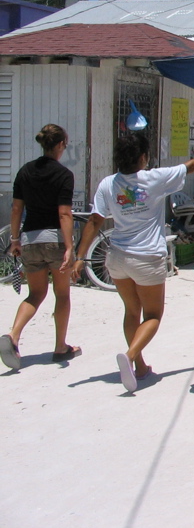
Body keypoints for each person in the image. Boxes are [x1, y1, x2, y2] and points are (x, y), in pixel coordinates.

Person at [74, 132, 194, 393]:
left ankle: (140, 367)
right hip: (147, 258)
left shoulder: (107, 184)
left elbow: (95, 220)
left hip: (117, 257)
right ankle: (132, 355)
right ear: (143, 157)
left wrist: (80, 257)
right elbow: (190, 166)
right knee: (153, 315)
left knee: (131, 311)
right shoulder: (154, 178)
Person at [0, 124, 78, 370]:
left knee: (35, 294)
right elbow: (64, 213)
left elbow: (16, 209)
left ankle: (13, 335)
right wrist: (69, 246)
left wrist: (14, 240)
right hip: (55, 239)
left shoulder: (25, 172)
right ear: (61, 144)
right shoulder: (64, 175)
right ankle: (60, 346)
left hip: (30, 240)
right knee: (62, 293)